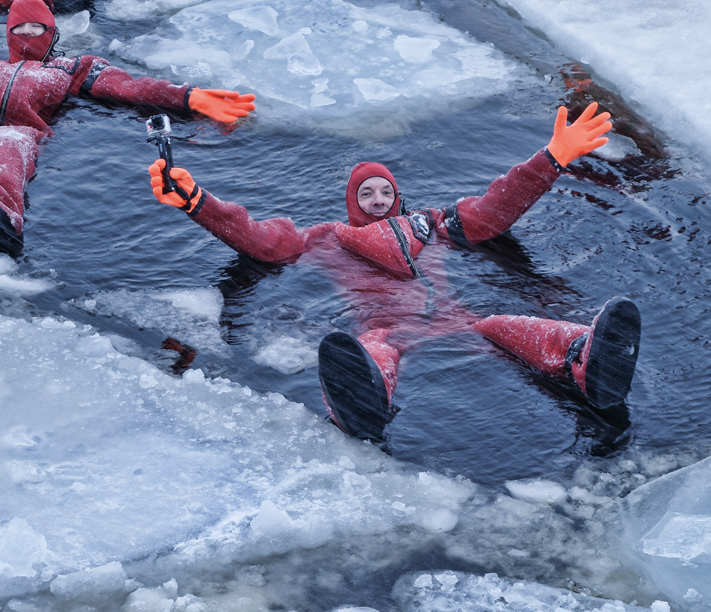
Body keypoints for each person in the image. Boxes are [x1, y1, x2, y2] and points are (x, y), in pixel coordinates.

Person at [148, 103, 641, 442]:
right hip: (385, 323)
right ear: (352, 203)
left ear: (397, 194)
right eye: (367, 194)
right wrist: (198, 202)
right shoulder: (326, 238)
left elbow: (498, 207)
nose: (378, 200)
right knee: (374, 349)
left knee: (500, 326)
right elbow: (258, 238)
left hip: (452, 317)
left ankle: (583, 355)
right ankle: (364, 398)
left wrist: (551, 159)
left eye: (385, 191)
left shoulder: (434, 223)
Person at [0, 0, 255, 263]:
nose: (26, 34)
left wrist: (188, 97)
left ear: (52, 32)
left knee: (8, 152)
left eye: (36, 28)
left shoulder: (72, 69)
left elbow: (129, 87)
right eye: (19, 27)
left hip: (22, 127)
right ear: (7, 30)